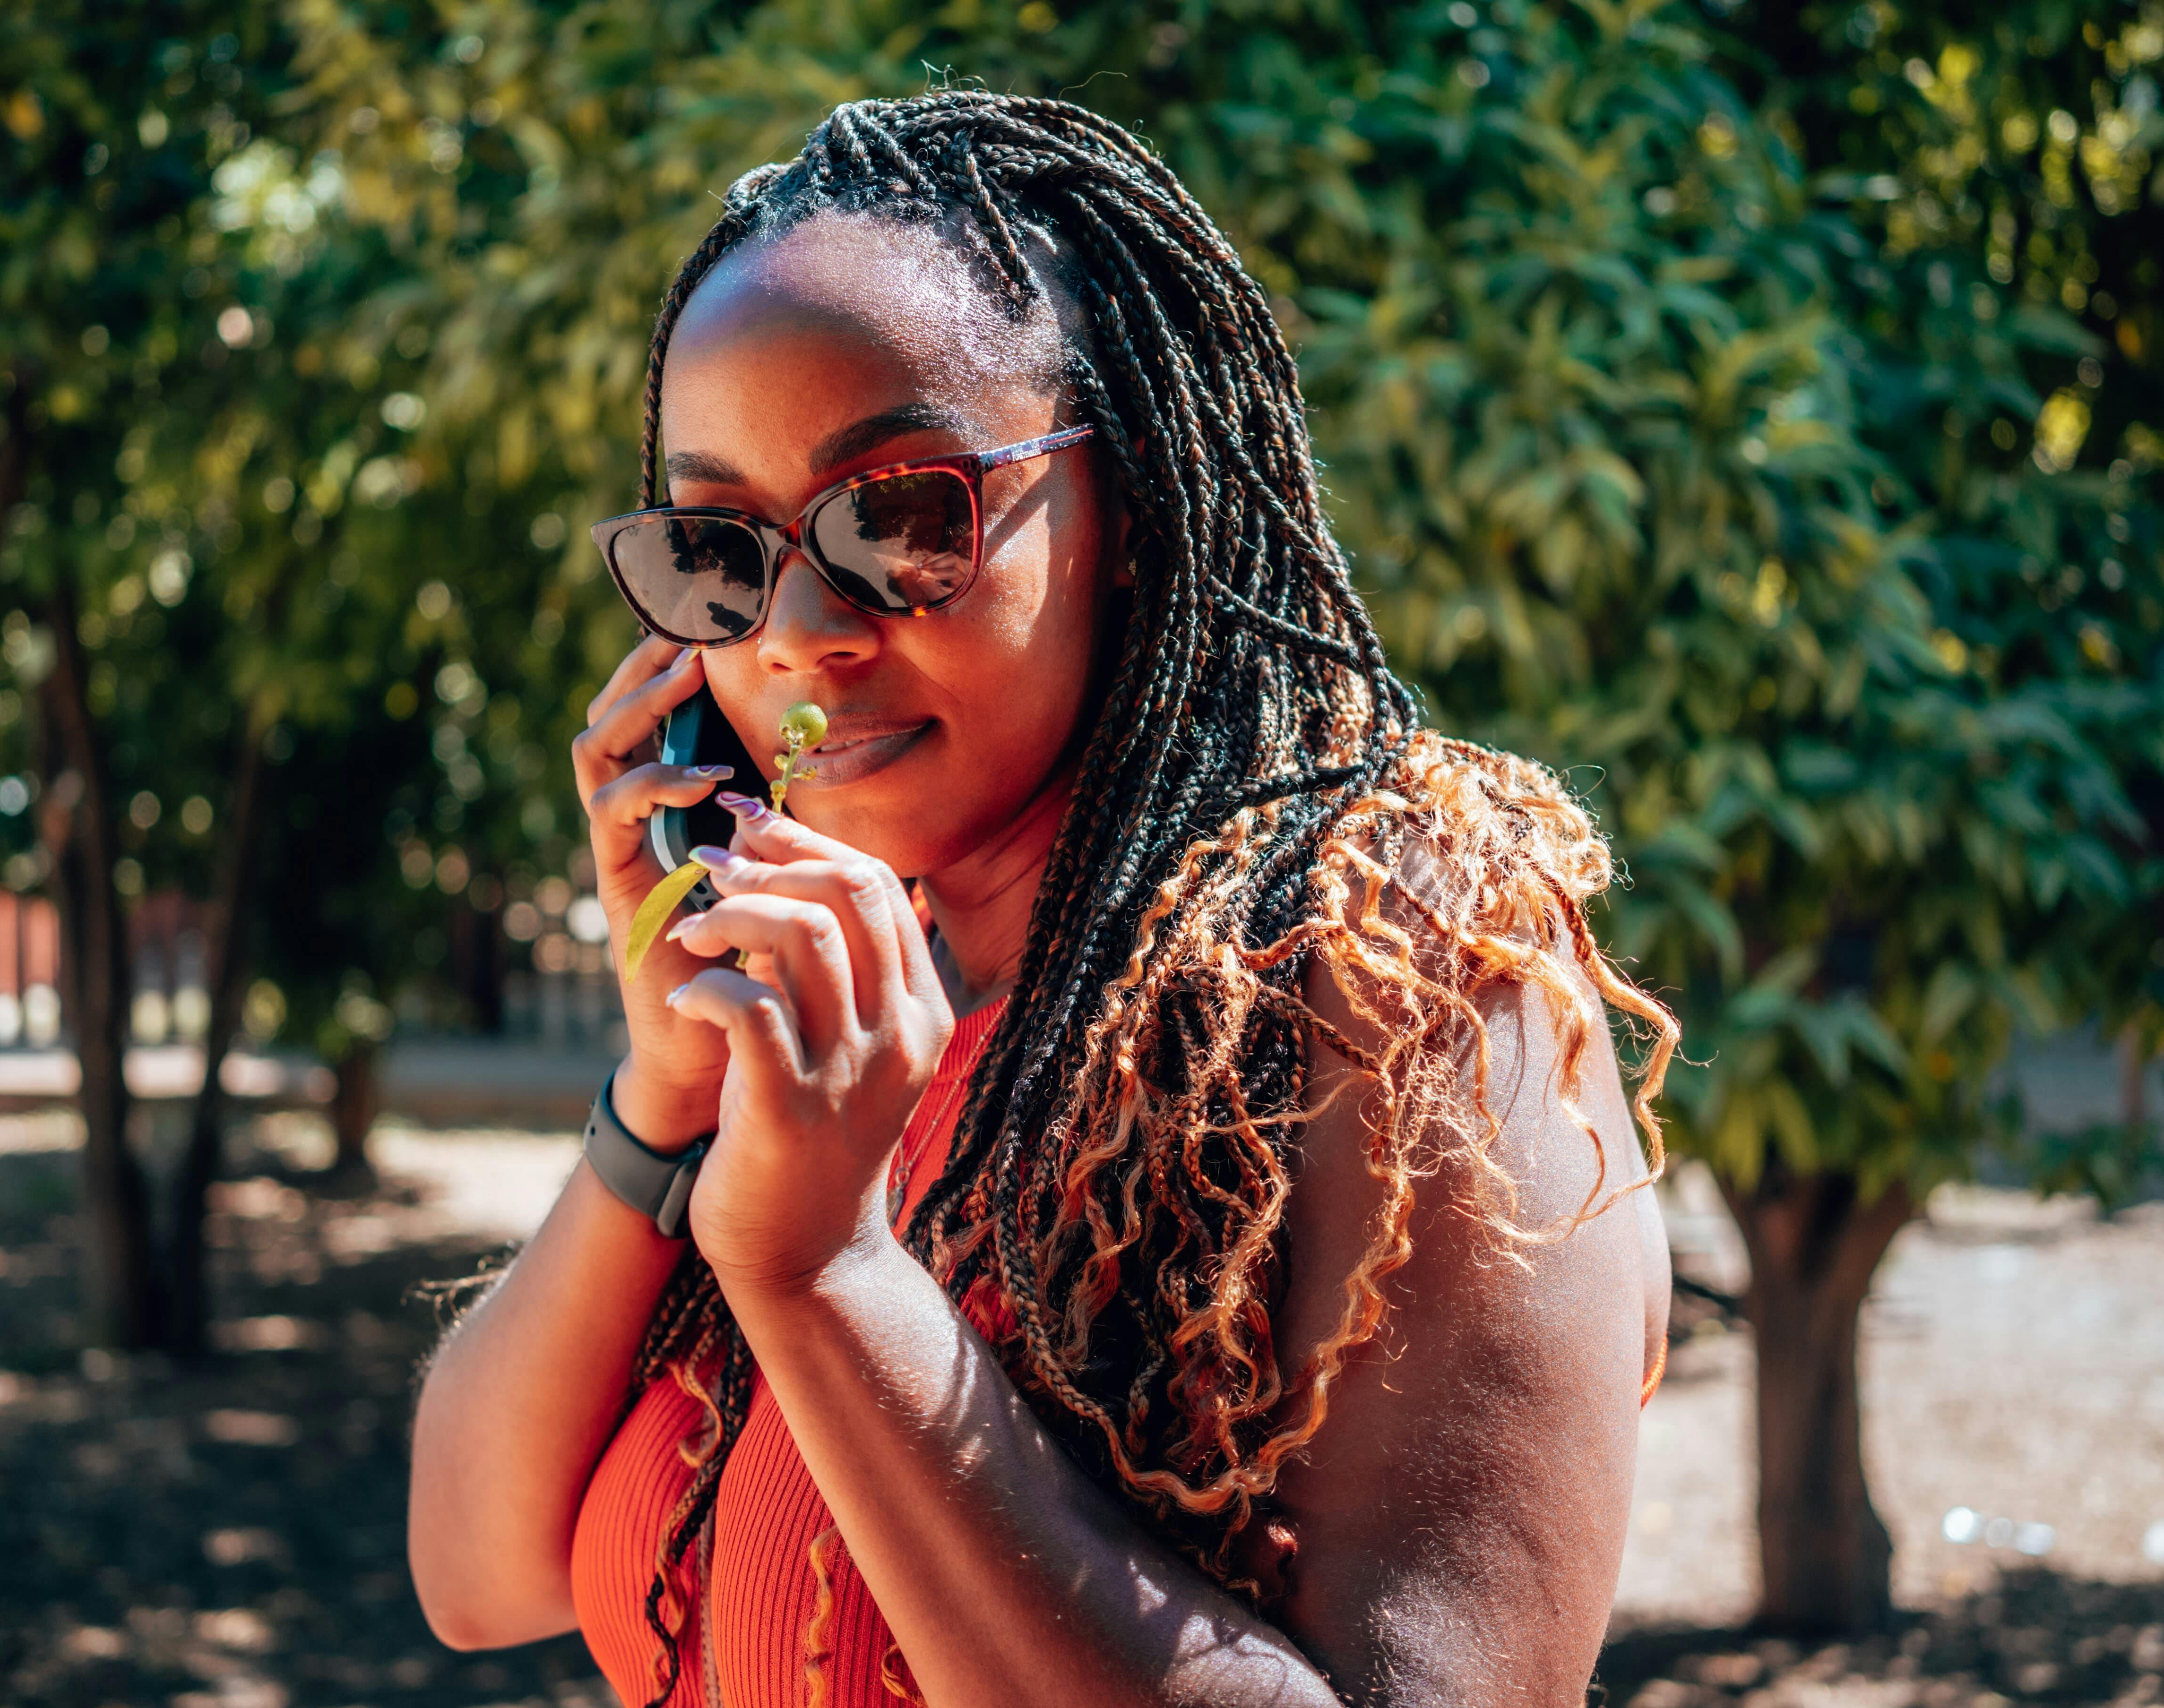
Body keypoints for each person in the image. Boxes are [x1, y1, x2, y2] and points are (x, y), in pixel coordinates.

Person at [407, 92, 1678, 1708]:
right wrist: (665, 1094)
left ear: (1130, 511)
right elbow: (474, 1571)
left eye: (902, 515)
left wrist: (832, 1280)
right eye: (716, 544)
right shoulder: (841, 1013)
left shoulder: (1394, 959)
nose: (795, 630)